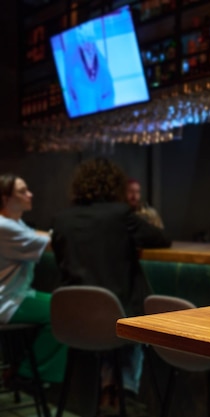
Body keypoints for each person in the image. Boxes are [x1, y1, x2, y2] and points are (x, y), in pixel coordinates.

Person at [51, 157, 171, 406]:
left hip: (76, 322)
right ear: (114, 185)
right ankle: (125, 393)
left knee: (111, 318)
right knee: (132, 319)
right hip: (118, 320)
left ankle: (108, 390)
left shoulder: (61, 220)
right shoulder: (120, 214)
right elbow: (160, 239)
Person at [0, 174, 67, 384]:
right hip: (6, 300)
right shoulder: (5, 227)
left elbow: (34, 233)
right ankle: (28, 373)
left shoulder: (12, 223)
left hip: (16, 294)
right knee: (65, 313)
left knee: (66, 305)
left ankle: (22, 366)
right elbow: (50, 243)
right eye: (22, 191)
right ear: (5, 199)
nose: (30, 194)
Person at [63, 21, 115, 117]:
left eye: (90, 42)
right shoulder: (72, 65)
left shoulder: (102, 67)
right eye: (84, 42)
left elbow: (109, 94)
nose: (88, 46)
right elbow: (71, 97)